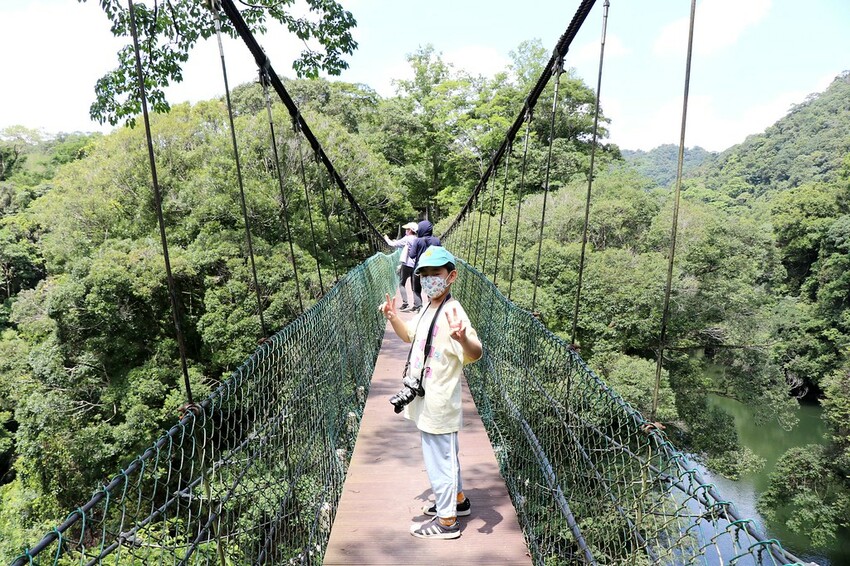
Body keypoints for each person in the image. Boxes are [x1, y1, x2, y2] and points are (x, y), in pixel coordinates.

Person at [378, 247, 483, 540]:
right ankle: (458, 501)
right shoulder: (428, 307)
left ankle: (447, 522)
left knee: (440, 461)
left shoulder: (453, 311)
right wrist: (393, 317)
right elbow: (409, 336)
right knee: (445, 456)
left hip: (440, 404)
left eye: (435, 274)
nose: (428, 281)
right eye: (423, 275)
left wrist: (462, 339)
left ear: (451, 277)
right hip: (427, 399)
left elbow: (477, 353)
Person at [383, 222, 421, 312]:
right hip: (416, 265)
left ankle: (405, 303)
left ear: (411, 230)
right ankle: (417, 306)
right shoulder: (417, 239)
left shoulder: (407, 238)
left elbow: (392, 244)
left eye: (407, 229)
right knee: (414, 286)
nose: (405, 231)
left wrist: (387, 239)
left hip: (407, 264)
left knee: (401, 283)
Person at [406, 220, 441, 313]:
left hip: (419, 269)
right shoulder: (436, 240)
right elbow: (441, 254)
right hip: (433, 270)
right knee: (431, 290)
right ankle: (431, 308)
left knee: (416, 289)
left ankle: (418, 307)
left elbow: (412, 255)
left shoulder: (417, 240)